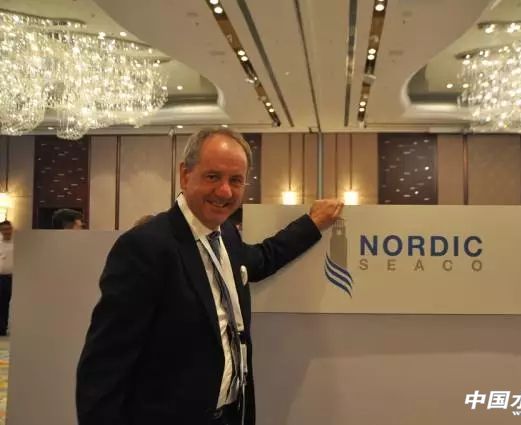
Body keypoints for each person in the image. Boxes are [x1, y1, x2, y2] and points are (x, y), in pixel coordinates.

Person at [76, 128, 343, 425]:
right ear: (185, 175)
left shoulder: (226, 234)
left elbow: (263, 258)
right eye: (213, 176)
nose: (225, 191)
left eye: (236, 180)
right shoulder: (145, 247)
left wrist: (312, 224)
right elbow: (104, 366)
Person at [0, 220, 13, 336]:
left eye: (8, 229)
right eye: (4, 229)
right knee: (2, 303)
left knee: (6, 303)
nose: (6, 231)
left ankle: (3, 327)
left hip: (13, 278)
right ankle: (1, 327)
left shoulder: (17, 243)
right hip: (1, 277)